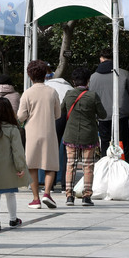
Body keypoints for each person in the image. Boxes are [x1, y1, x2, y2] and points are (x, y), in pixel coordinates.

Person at [18, 60, 61, 209]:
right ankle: (47, 194)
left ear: (30, 76)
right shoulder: (52, 92)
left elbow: (21, 116)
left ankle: (35, 199)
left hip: (32, 132)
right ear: (45, 75)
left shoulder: (27, 93)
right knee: (50, 164)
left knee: (32, 165)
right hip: (49, 131)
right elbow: (58, 114)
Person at [61, 67, 107, 207]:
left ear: (73, 81)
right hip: (89, 136)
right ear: (88, 81)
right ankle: (86, 196)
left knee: (71, 165)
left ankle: (69, 195)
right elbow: (103, 114)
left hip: (71, 135)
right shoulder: (93, 96)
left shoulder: (69, 94)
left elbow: (62, 111)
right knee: (88, 166)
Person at [0, 98, 29, 231]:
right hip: (9, 168)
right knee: (10, 194)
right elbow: (18, 151)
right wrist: (20, 167)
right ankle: (13, 219)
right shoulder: (13, 129)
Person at [89, 48, 129, 161]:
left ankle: (107, 170)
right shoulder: (124, 74)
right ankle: (124, 170)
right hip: (121, 115)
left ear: (101, 59)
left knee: (105, 145)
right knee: (123, 145)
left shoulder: (93, 77)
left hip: (102, 116)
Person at [44, 64, 74, 192]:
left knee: (52, 150)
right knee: (67, 151)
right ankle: (64, 185)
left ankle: (49, 186)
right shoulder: (69, 86)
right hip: (69, 116)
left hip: (55, 117)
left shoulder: (47, 86)